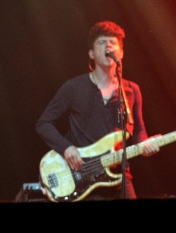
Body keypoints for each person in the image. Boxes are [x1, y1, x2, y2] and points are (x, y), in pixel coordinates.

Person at [36, 20, 159, 200]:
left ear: (121, 53)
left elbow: (139, 129)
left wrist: (145, 144)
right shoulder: (73, 87)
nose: (108, 45)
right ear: (92, 54)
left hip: (119, 176)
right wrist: (66, 148)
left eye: (113, 42)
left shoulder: (131, 90)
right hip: (83, 175)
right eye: (102, 42)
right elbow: (43, 123)